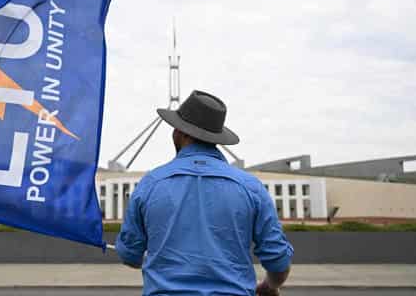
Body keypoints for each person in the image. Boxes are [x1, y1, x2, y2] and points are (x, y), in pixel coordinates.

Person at [116, 90, 293, 296]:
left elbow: (130, 255)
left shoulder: (151, 184)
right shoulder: (250, 187)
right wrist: (269, 286)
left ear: (179, 133)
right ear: (216, 138)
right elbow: (278, 261)